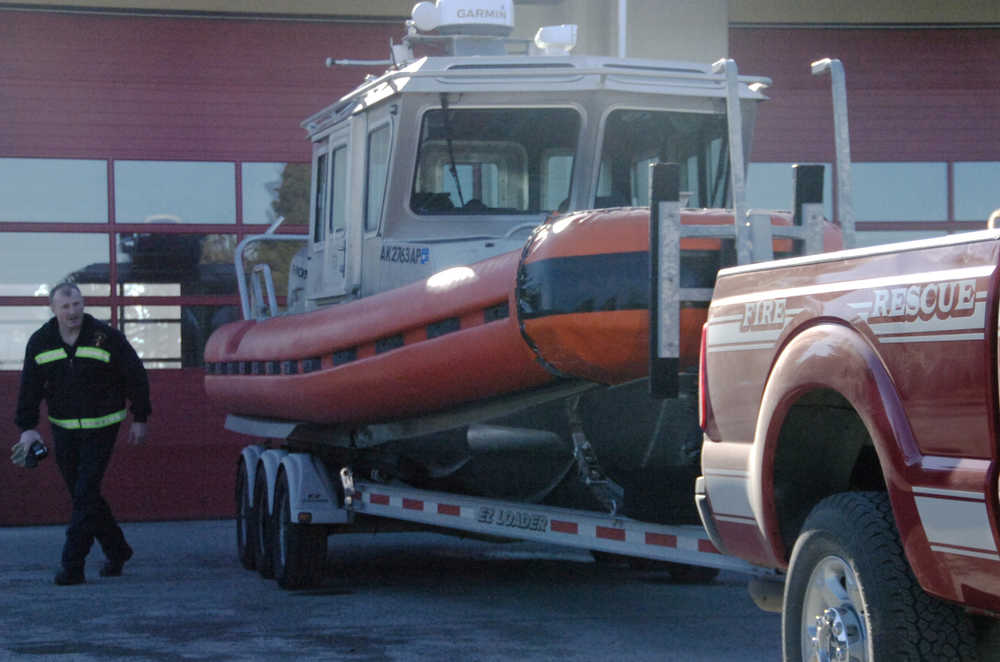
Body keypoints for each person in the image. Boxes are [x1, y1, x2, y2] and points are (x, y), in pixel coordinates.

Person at [11, 281, 151, 586]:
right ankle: (118, 550)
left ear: (82, 304)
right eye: (65, 306)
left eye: (77, 304)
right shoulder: (40, 342)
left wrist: (140, 417)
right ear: (53, 309)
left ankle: (72, 565)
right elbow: (29, 389)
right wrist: (28, 429)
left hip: (103, 426)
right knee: (83, 495)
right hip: (64, 429)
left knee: (85, 492)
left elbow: (136, 376)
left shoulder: (106, 338)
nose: (73, 311)